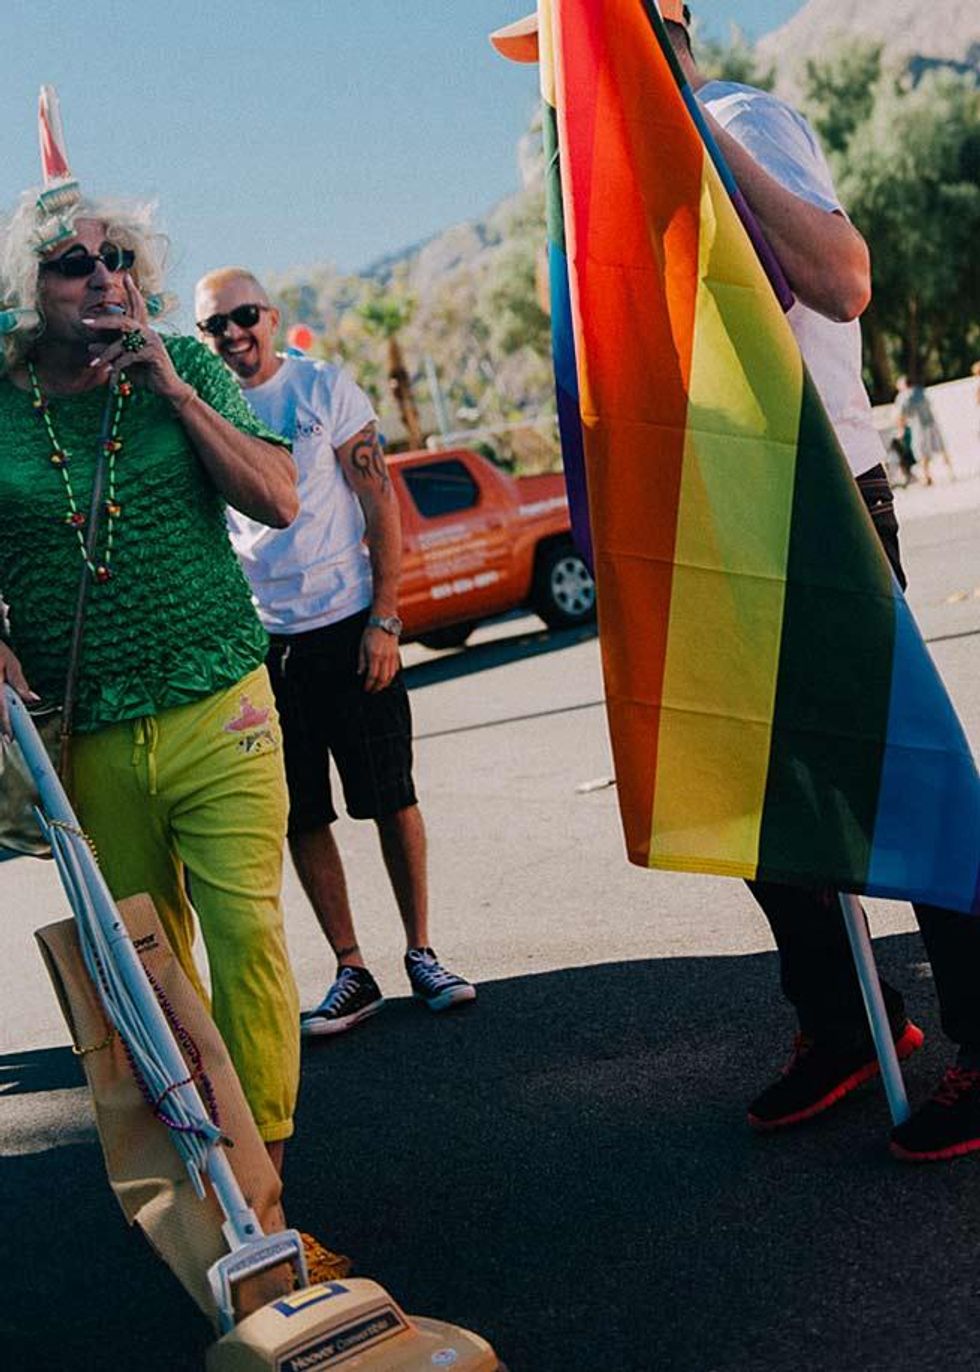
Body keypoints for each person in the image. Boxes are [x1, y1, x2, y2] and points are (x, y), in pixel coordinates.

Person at [492, 3, 980, 1161]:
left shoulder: (732, 117)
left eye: (568, 49)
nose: (553, 79)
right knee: (745, 778)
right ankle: (843, 1024)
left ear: (651, 33)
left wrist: (692, 142)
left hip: (816, 506)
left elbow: (843, 278)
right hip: (709, 515)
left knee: (891, 772)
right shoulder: (601, 182)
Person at [0, 166, 302, 1169]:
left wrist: (176, 392)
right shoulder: (1, 406)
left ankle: (262, 1176)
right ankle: (198, 1159)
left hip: (219, 699)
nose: (102, 277)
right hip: (84, 728)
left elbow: (279, 498)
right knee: (143, 962)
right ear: (24, 290)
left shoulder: (190, 369)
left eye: (118, 259)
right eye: (72, 264)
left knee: (245, 933)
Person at [193, 267, 476, 1037]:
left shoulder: (321, 389)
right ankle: (353, 970)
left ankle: (422, 951)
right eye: (214, 326)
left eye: (242, 315)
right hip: (265, 644)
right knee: (300, 813)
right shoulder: (203, 412)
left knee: (392, 795)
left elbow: (378, 499)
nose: (232, 334)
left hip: (351, 625)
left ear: (271, 316)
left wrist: (385, 618)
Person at [894, 374, 955, 485]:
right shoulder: (920, 391)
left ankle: (927, 477)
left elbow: (900, 416)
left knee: (922, 452)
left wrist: (901, 430)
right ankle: (951, 472)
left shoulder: (903, 396)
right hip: (932, 423)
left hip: (919, 426)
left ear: (903, 385)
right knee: (941, 448)